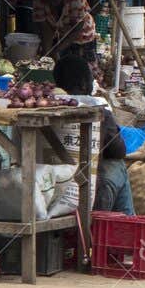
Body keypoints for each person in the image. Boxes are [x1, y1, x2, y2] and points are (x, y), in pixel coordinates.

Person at [52, 53, 133, 215]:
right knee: (116, 165)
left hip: (51, 182)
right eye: (91, 78)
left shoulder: (50, 103)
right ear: (84, 83)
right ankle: (127, 225)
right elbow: (118, 150)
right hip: (83, 186)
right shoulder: (96, 105)